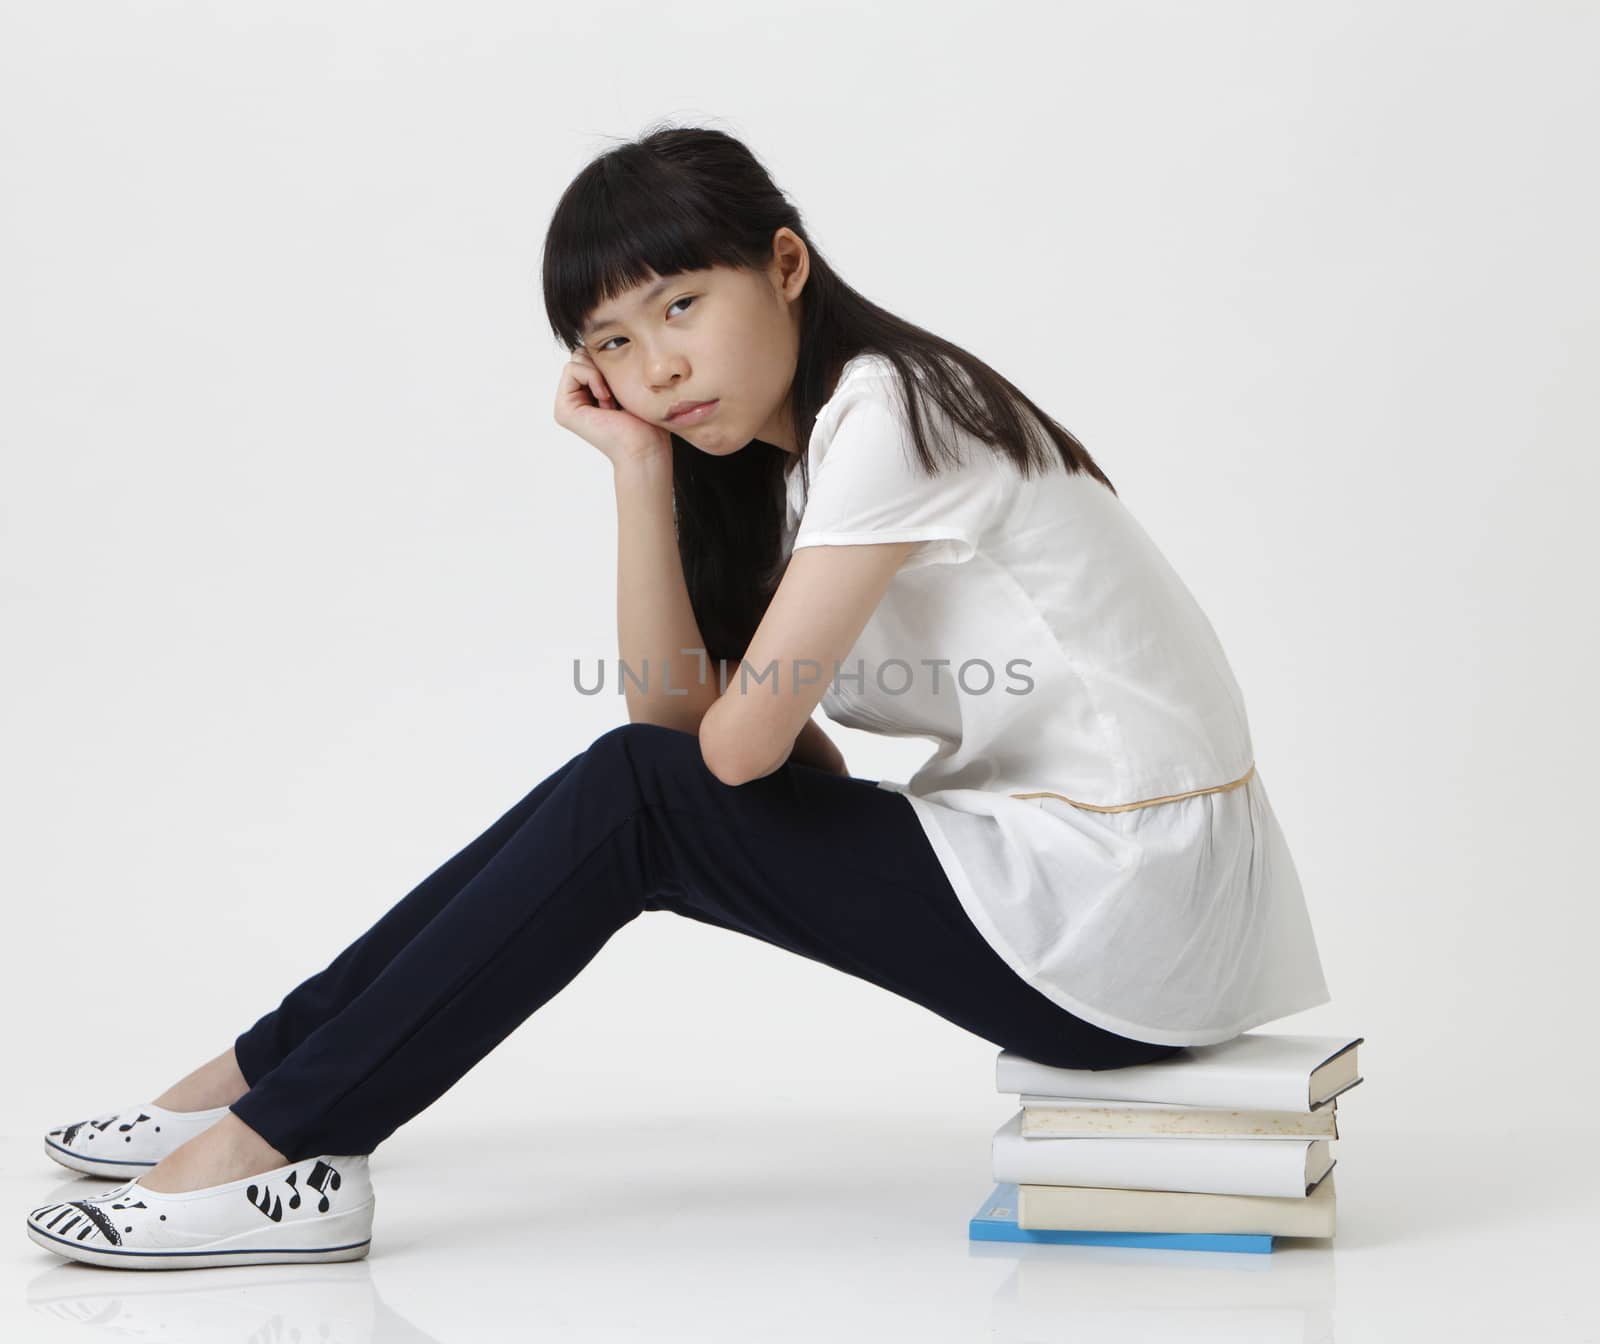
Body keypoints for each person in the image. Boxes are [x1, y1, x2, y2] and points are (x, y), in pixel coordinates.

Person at [26, 123, 1330, 1270]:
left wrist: (711, 760)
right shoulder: (820, 455)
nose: (653, 365)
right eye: (611, 341)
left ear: (785, 265)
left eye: (681, 305)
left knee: (631, 795)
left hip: (1124, 915)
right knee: (634, 787)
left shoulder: (890, 414)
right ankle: (245, 1091)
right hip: (1092, 893)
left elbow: (724, 758)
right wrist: (637, 472)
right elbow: (693, 738)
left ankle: (276, 1147)